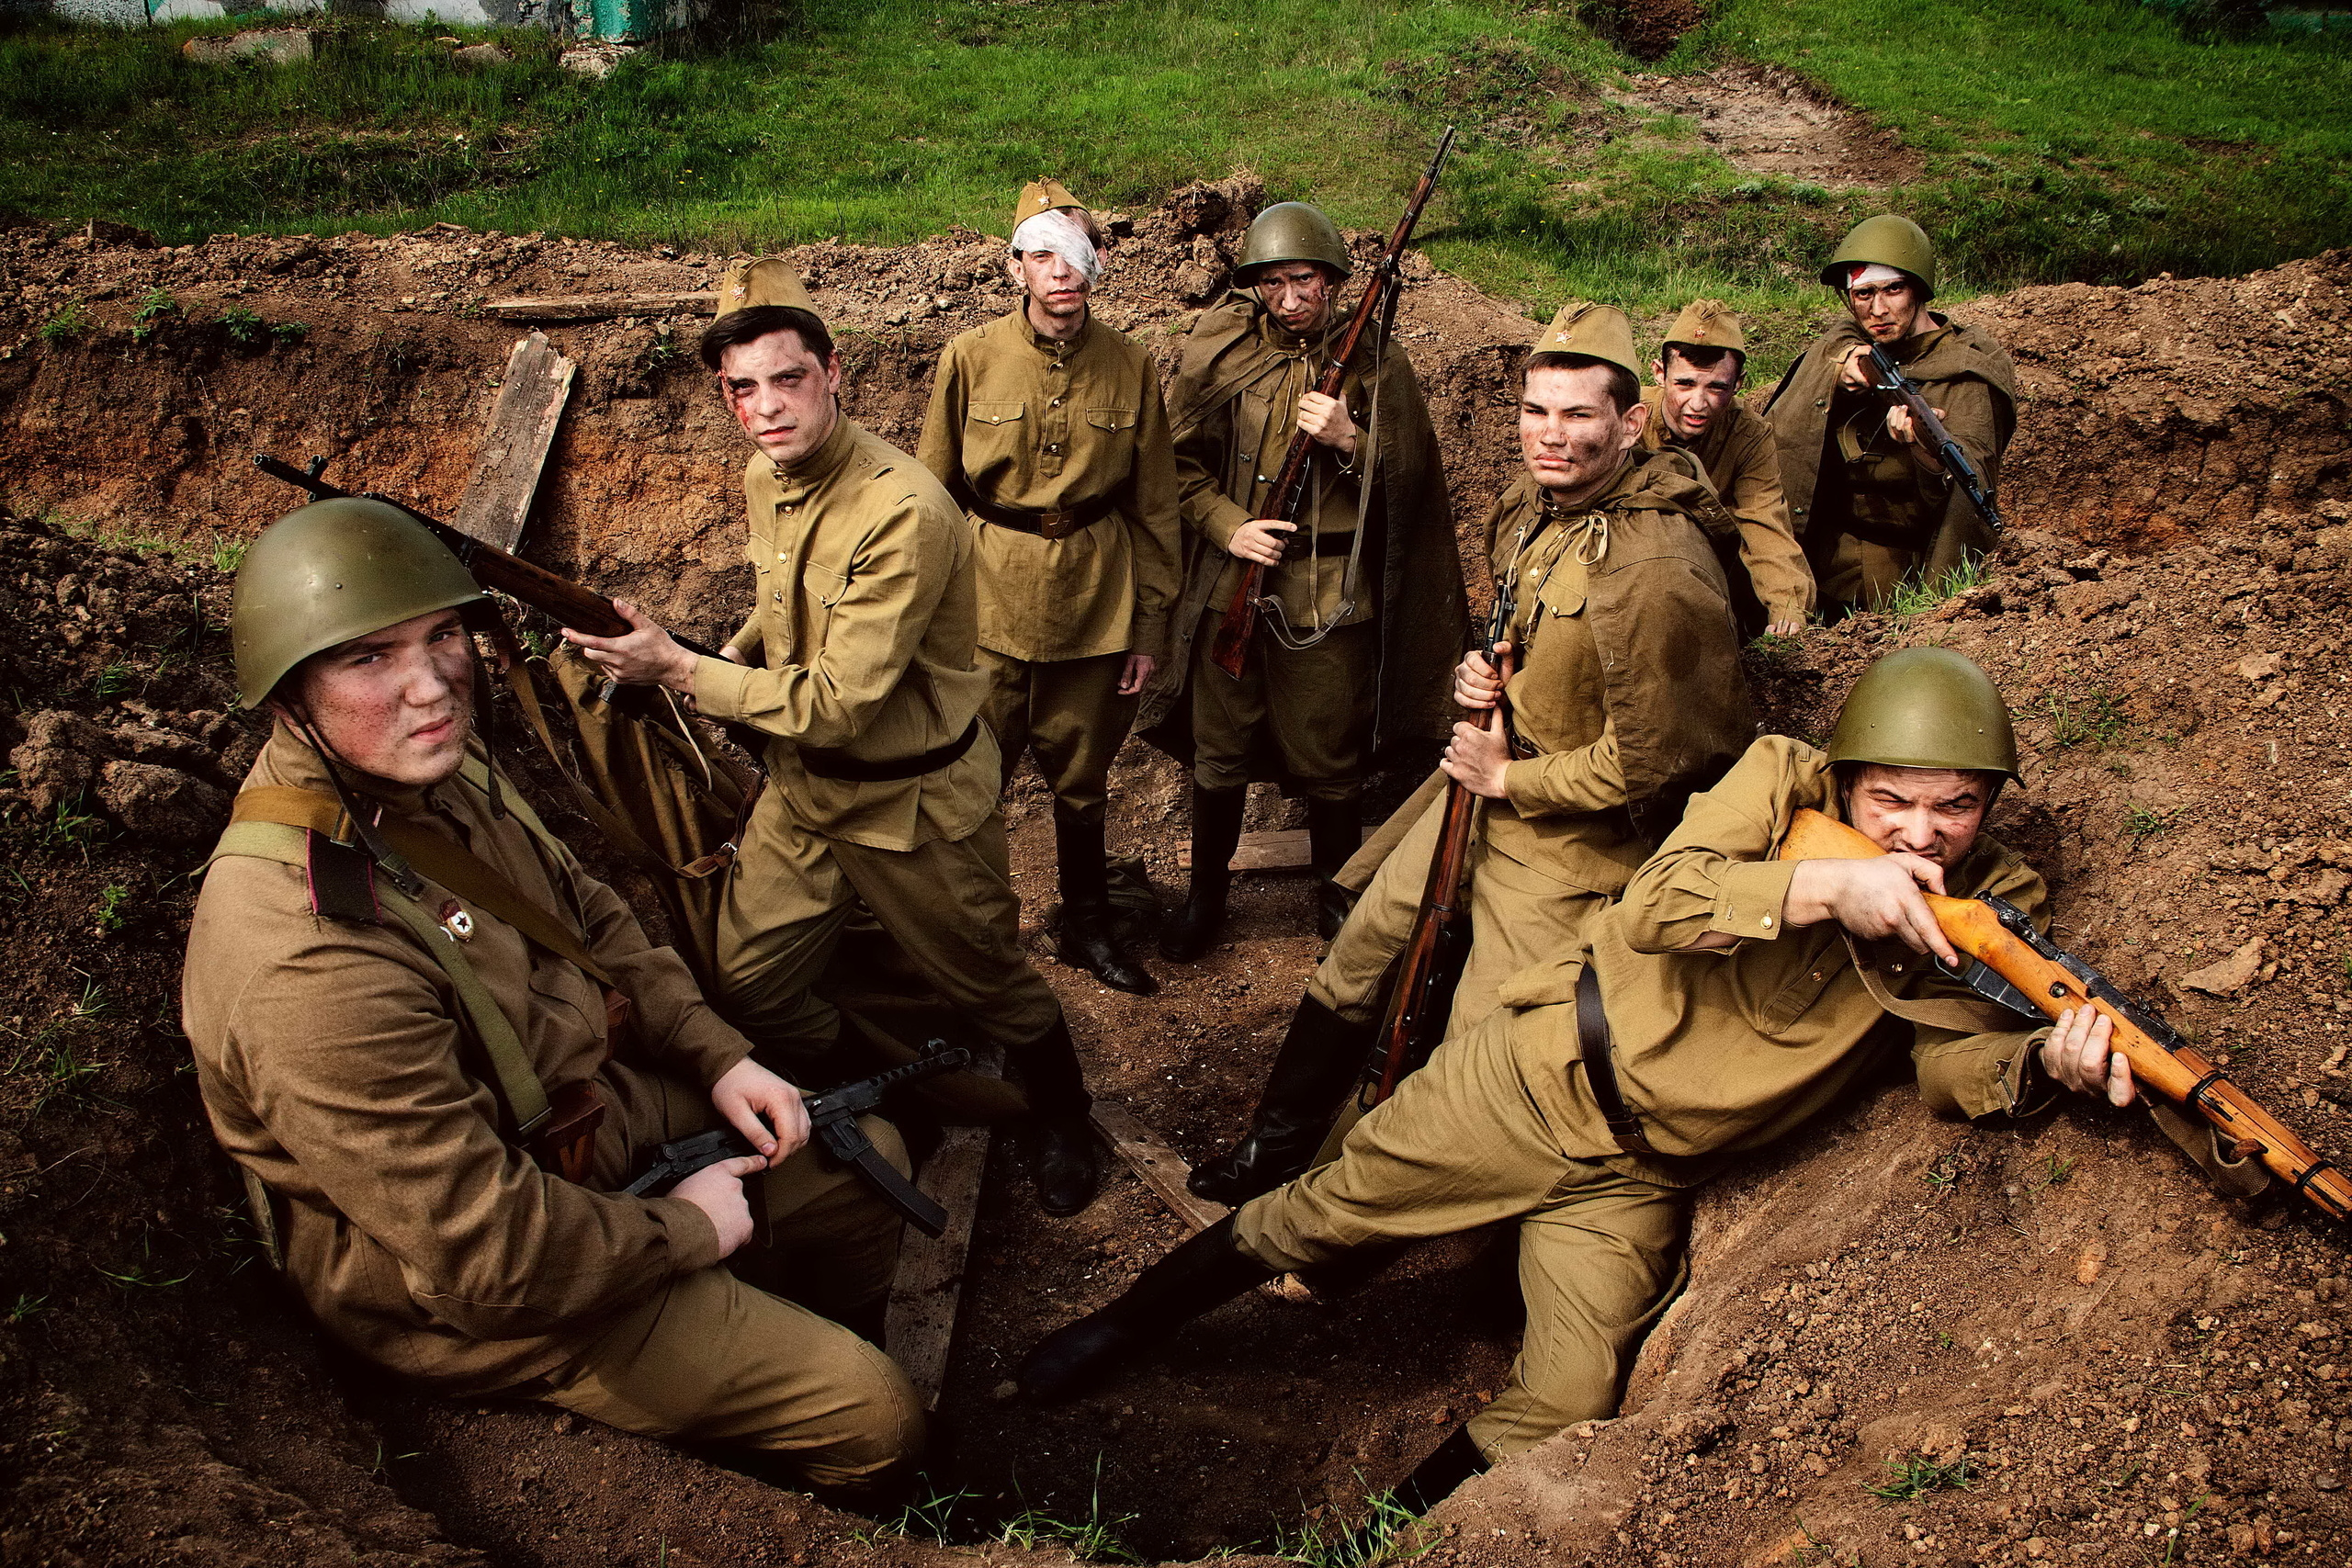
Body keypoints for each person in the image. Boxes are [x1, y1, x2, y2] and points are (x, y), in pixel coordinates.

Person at [1021, 646, 2142, 1518]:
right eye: (1892, 799)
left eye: (1956, 806)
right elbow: (1659, 905)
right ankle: (1121, 1328)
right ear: (1845, 775)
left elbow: (1945, 1061)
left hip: (1641, 1177)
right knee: (1315, 1216)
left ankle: (1385, 1536)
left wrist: (2042, 1061)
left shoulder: (1990, 900)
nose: (1922, 832)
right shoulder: (1774, 781)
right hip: (1542, 1075)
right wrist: (1817, 893)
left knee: (1569, 1397)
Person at [184, 501, 922, 1500]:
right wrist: (690, 1235)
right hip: (478, 1276)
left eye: (443, 636)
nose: (430, 686)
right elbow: (488, 1252)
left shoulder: (432, 767)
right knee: (877, 1420)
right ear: (288, 701)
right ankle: (785, 1475)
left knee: (862, 1162)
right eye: (368, 660)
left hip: (582, 1122)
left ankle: (759, 1339)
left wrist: (717, 1054)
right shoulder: (308, 957)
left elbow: (590, 912)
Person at [1186, 303, 1754, 1206]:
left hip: (1573, 839)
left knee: (1492, 1041)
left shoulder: (1658, 568)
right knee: (1360, 953)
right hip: (1481, 786)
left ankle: (1408, 1214)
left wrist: (1511, 777)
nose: (1550, 437)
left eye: (1577, 416)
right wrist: (1493, 677)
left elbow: (1663, 764)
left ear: (1631, 423)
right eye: (1536, 411)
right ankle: (1275, 1150)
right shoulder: (1532, 506)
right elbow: (1537, 627)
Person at [563, 279, 1104, 1215]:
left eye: (786, 380)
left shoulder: (903, 511)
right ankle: (907, 1089)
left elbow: (840, 704)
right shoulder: (766, 475)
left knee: (994, 984)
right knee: (753, 988)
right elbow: (789, 614)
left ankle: (1061, 1114)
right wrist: (719, 653)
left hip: (912, 801)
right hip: (804, 792)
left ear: (832, 376)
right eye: (741, 389)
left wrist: (677, 672)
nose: (765, 407)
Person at [1143, 199, 1465, 958]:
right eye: (1275, 283)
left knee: (1332, 755)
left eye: (1306, 282)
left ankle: (1334, 890)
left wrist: (1352, 438)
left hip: (1330, 596)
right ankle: (1206, 896)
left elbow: (1413, 484)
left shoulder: (1378, 363)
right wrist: (1231, 526)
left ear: (1333, 281)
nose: (1291, 300)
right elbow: (1176, 466)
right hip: (1236, 584)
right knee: (1219, 747)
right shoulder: (1222, 351)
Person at [917, 179, 1182, 998]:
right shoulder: (969, 358)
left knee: (1082, 779)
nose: (1061, 274)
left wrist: (1148, 627)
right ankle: (966, 936)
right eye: (1043, 256)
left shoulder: (1132, 365)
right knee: (970, 779)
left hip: (1094, 605)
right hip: (986, 603)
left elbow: (1156, 504)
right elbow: (928, 495)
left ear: (1095, 266)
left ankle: (1087, 925)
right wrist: (923, 614)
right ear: (1016, 268)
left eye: (1075, 255)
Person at [1762, 215, 2020, 616]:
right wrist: (1842, 364)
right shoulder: (1848, 344)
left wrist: (1924, 454)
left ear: (1918, 289)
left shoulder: (1968, 371)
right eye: (1863, 294)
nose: (1877, 310)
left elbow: (1970, 484)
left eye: (1893, 290)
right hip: (1819, 563)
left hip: (1902, 578)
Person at [1640, 299, 1814, 637]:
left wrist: (1787, 608)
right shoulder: (1626, 417)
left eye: (1717, 387)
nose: (1698, 403)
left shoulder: (1748, 434)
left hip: (1708, 564)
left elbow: (1764, 523)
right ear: (1660, 374)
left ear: (1739, 383)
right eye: (1685, 384)